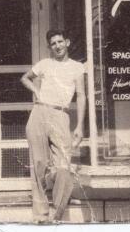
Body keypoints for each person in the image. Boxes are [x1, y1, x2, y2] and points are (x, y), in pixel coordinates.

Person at [20, 29, 86, 222]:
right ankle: (40, 215)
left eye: (60, 42)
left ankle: (57, 215)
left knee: (64, 165)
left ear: (67, 42)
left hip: (61, 114)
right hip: (39, 112)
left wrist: (80, 126)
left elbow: (81, 95)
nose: (57, 46)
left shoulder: (77, 67)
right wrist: (36, 91)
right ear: (50, 47)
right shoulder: (45, 64)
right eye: (53, 44)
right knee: (39, 164)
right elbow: (25, 78)